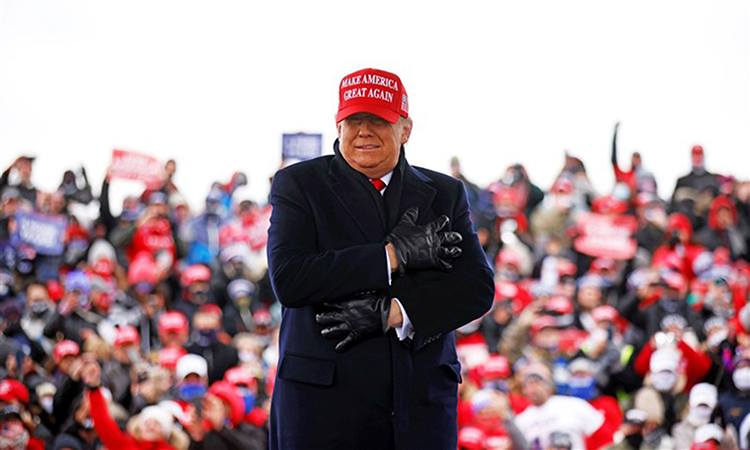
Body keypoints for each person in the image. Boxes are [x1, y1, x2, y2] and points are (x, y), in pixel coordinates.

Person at [266, 68, 494, 449]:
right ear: (338, 125)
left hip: (420, 411)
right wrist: (391, 256)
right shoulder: (299, 184)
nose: (364, 132)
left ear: (405, 129)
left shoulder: (445, 193)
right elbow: (290, 279)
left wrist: (395, 313)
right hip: (321, 413)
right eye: (353, 120)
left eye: (378, 120)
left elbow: (477, 288)